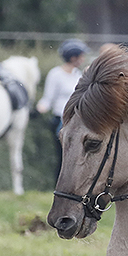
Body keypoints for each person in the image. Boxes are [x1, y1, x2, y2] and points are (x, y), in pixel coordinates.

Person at [37, 39, 90, 176]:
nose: (83, 59)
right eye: (81, 55)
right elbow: (48, 98)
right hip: (61, 121)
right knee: (63, 157)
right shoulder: (56, 74)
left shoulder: (78, 75)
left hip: (78, 120)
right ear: (73, 57)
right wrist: (39, 109)